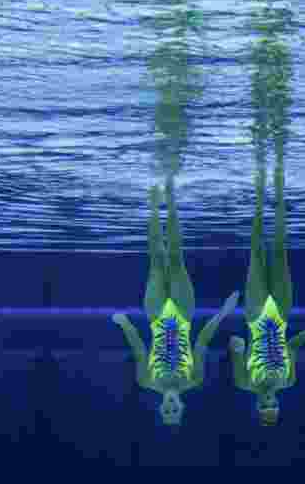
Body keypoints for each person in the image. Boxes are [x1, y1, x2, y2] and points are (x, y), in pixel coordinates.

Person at [112, 176, 239, 427]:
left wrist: (125, 324)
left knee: (157, 262)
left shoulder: (146, 380)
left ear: (161, 409)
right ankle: (170, 198)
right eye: (175, 411)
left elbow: (139, 348)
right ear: (182, 407)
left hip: (157, 314)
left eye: (166, 412)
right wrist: (223, 313)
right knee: (175, 257)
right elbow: (202, 340)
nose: (170, 408)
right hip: (182, 313)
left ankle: (152, 204)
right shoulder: (195, 379)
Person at [228, 156, 305, 426]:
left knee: (256, 253)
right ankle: (277, 186)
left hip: (254, 315)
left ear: (257, 405)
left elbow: (235, 346)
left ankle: (258, 194)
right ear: (278, 403)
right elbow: (292, 346)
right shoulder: (289, 380)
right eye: (273, 404)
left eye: (265, 404)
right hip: (281, 316)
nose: (269, 399)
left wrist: (236, 347)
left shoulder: (244, 382)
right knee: (279, 249)